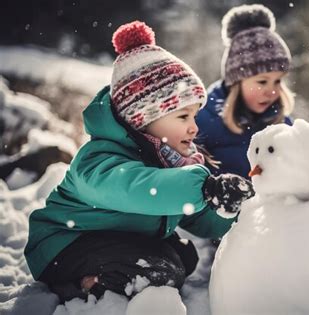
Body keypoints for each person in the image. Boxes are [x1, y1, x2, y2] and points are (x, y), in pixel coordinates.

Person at [24, 21, 254, 303]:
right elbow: (134, 187)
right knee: (155, 273)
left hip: (117, 238)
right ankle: (78, 287)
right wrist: (202, 186)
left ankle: (110, 278)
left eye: (194, 116)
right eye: (183, 117)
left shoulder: (171, 163)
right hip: (67, 243)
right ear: (142, 119)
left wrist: (224, 207)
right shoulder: (98, 158)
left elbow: (193, 214)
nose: (194, 128)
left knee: (182, 256)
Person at [195, 4, 294, 179]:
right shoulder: (201, 122)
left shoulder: (282, 124)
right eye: (262, 82)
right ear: (236, 81)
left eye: (277, 81)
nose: (271, 92)